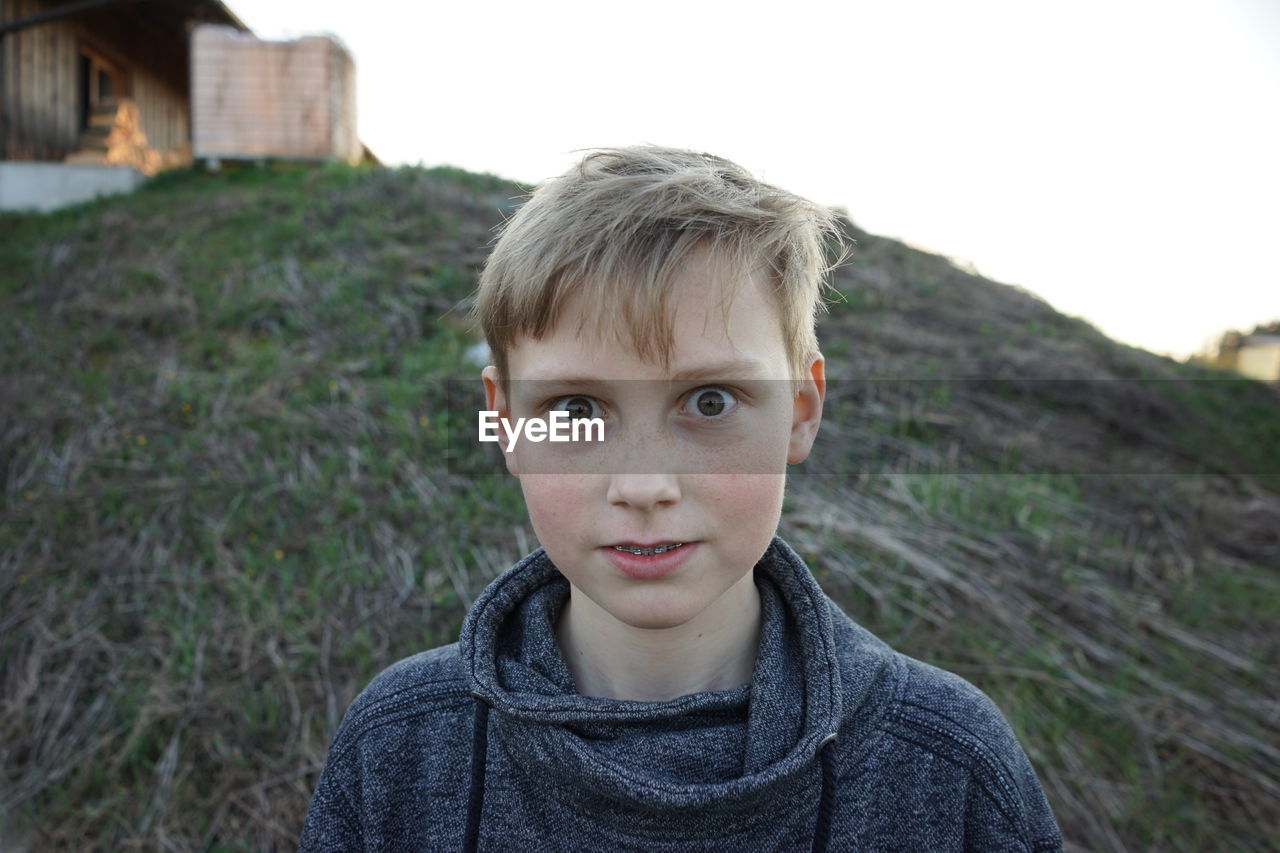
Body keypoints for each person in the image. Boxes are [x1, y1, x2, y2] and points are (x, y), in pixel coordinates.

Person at [298, 146, 1064, 851]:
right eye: (575, 410)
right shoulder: (398, 746)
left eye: (709, 402)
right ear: (504, 420)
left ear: (800, 410)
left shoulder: (948, 763)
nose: (642, 486)